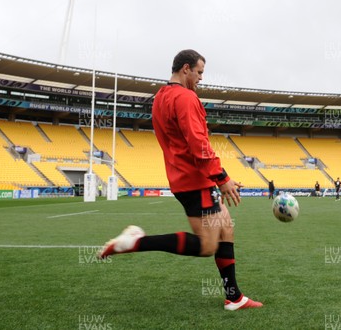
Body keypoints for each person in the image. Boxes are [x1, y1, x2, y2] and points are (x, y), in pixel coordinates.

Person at [98, 50, 262, 311]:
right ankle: (135, 242)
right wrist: (222, 178)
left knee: (226, 226)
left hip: (184, 177)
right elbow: (199, 144)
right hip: (196, 181)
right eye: (199, 73)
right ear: (186, 68)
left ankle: (234, 297)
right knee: (208, 245)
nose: (200, 78)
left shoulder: (161, 97)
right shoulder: (186, 98)